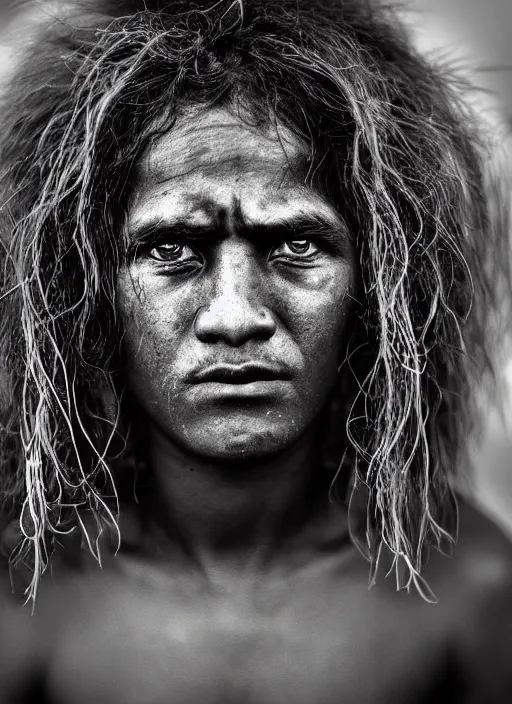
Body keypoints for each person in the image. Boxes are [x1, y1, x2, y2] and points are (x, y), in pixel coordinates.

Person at [0, 0, 511, 701]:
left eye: (298, 244)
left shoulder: (471, 591)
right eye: (172, 248)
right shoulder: (23, 592)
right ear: (84, 286)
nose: (236, 317)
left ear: (384, 285)